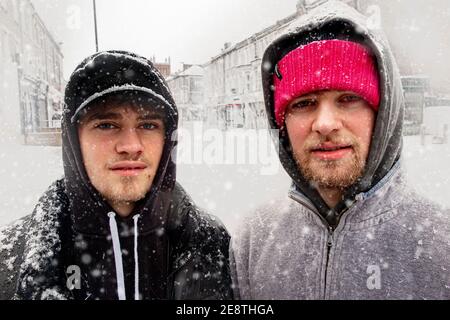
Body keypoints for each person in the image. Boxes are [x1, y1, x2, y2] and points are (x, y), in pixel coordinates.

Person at [230, 1, 450, 300]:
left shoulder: (441, 245)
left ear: (382, 113)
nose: (324, 124)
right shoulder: (252, 241)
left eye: (348, 98)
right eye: (303, 103)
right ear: (282, 123)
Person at [0, 50, 233, 300]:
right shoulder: (11, 256)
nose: (131, 145)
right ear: (73, 141)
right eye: (107, 125)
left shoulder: (213, 244)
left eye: (148, 125)